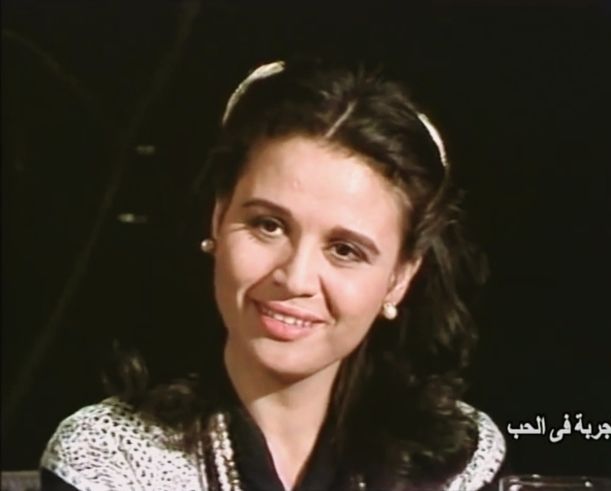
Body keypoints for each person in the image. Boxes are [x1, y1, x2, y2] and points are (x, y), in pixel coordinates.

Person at [40, 58, 506, 491]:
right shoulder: (110, 459)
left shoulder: (456, 461)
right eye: (268, 225)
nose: (296, 278)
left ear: (400, 278)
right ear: (218, 218)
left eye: (345, 250)